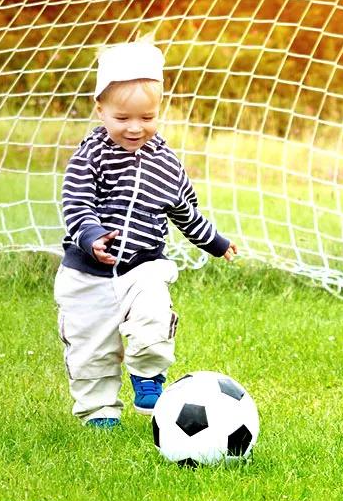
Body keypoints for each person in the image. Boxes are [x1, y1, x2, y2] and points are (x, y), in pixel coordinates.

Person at [54, 39, 237, 429]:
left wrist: (216, 243)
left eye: (147, 117)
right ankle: (99, 411)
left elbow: (185, 211)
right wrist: (91, 236)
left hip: (143, 265)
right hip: (87, 274)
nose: (135, 128)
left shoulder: (167, 163)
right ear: (99, 109)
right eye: (122, 118)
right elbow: (76, 203)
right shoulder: (90, 157)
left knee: (153, 314)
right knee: (90, 351)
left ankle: (148, 375)